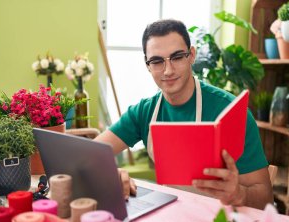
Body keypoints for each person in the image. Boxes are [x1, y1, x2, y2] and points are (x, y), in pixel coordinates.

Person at [95, 19, 273, 210]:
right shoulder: (144, 112)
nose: (168, 70)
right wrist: (109, 172)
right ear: (147, 65)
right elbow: (88, 154)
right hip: (175, 215)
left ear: (192, 55)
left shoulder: (231, 111)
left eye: (177, 57)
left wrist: (238, 194)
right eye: (156, 61)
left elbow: (266, 198)